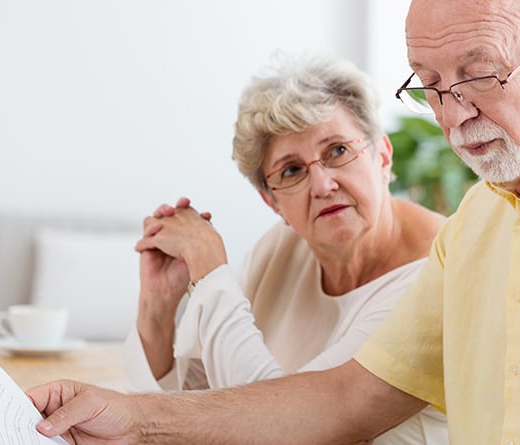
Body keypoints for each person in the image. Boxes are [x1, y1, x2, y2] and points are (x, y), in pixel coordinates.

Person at [28, 0, 520, 443]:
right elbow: (343, 400)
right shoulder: (478, 224)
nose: (456, 115)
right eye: (429, 86)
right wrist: (135, 418)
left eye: (479, 73)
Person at [121, 54, 448, 444]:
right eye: (292, 170)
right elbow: (197, 399)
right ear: (272, 203)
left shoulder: (438, 270)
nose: (323, 184)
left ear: (382, 155)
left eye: (338, 151)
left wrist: (210, 270)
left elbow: (284, 429)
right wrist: (157, 307)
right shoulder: (283, 248)